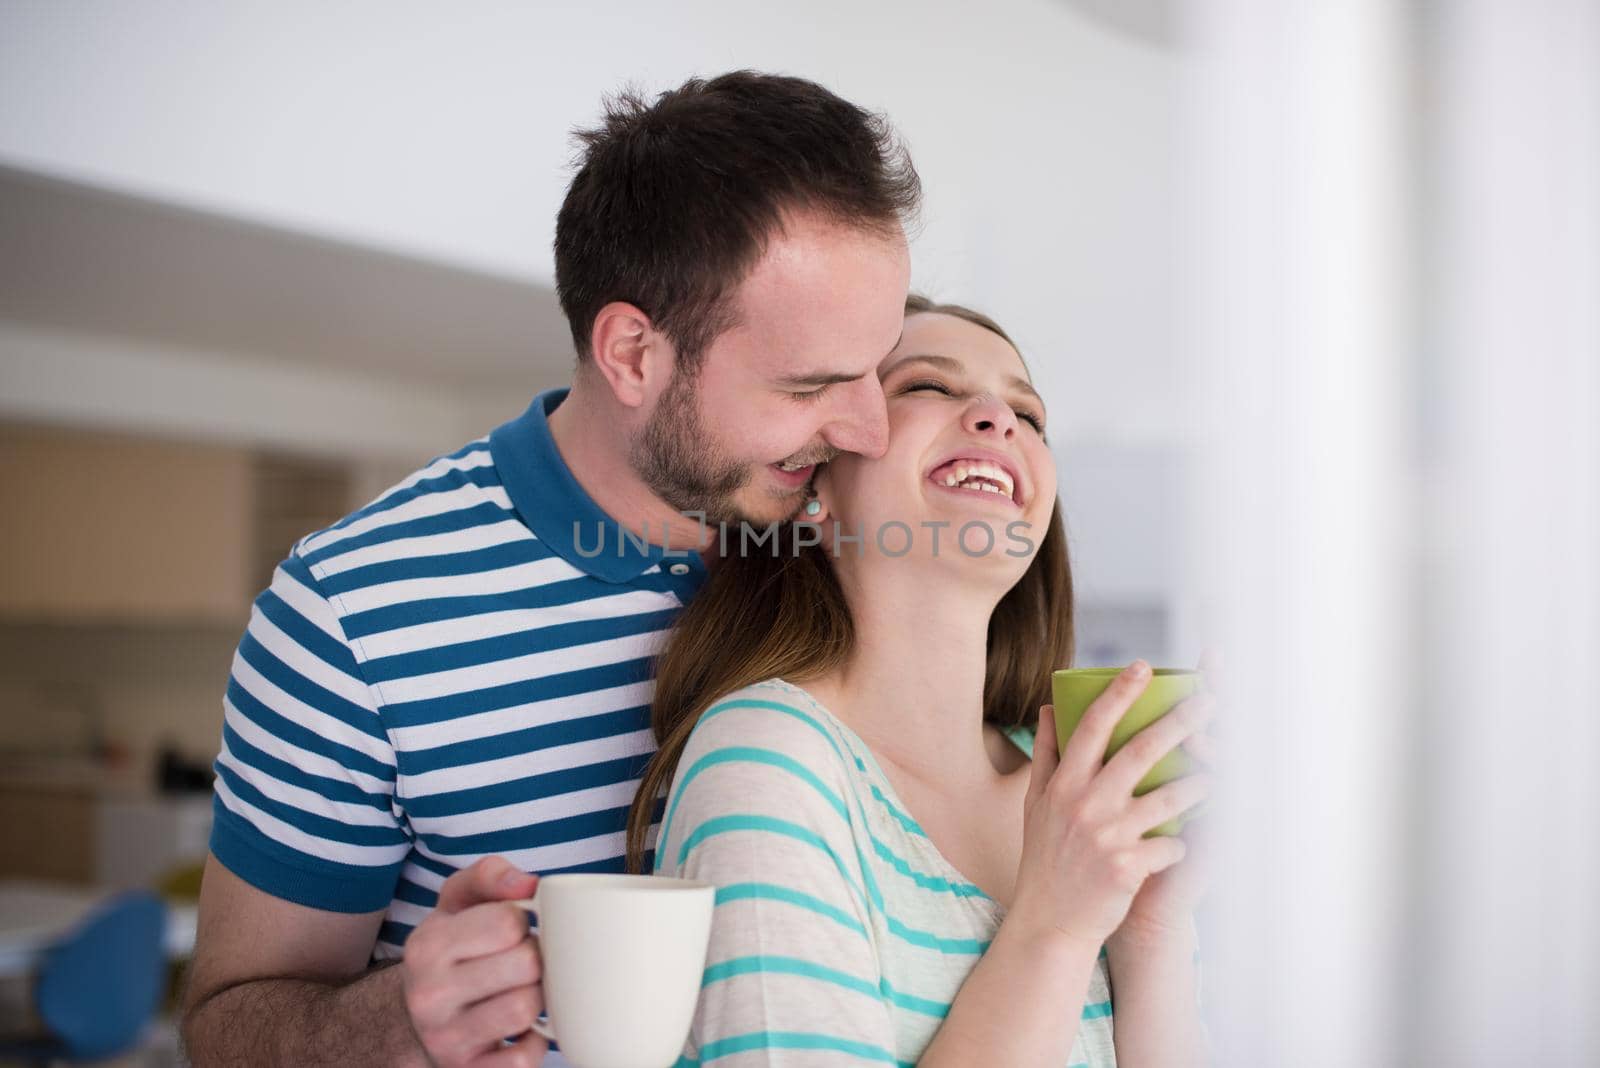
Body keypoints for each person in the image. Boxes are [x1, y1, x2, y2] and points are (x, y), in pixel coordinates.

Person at [178, 71, 918, 1067]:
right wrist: (396, 1021)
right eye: (808, 385)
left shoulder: (854, 552)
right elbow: (228, 1025)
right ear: (630, 353)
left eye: (878, 365)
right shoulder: (351, 615)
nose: (867, 427)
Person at [632, 297, 1216, 1065]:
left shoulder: (1077, 801)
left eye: (1029, 414)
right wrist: (1056, 926)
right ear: (814, 487)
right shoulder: (765, 761)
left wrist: (1150, 932)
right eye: (927, 388)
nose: (995, 417)